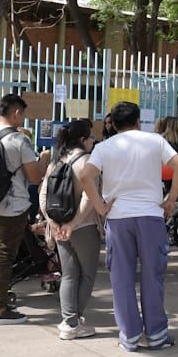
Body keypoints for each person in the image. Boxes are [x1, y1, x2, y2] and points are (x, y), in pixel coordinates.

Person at [78, 102, 178, 351]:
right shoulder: (155, 141)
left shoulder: (104, 147)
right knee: (152, 276)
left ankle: (129, 336)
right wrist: (170, 200)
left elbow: (85, 176)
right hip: (151, 215)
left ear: (113, 124)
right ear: (138, 121)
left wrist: (100, 206)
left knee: (122, 278)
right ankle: (157, 334)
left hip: (118, 218)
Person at [0, 94, 43, 325]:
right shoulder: (19, 140)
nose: (22, 119)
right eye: (22, 114)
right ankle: (0, 308)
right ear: (16, 113)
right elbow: (34, 177)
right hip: (13, 205)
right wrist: (42, 162)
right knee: (6, 255)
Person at [41, 120, 102, 339]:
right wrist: (73, 224)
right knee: (87, 274)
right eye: (91, 137)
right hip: (83, 227)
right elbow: (89, 197)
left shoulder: (57, 159)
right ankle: (73, 322)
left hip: (59, 227)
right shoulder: (86, 161)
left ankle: (69, 320)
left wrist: (53, 222)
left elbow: (43, 194)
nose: (94, 140)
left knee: (68, 274)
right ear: (82, 139)